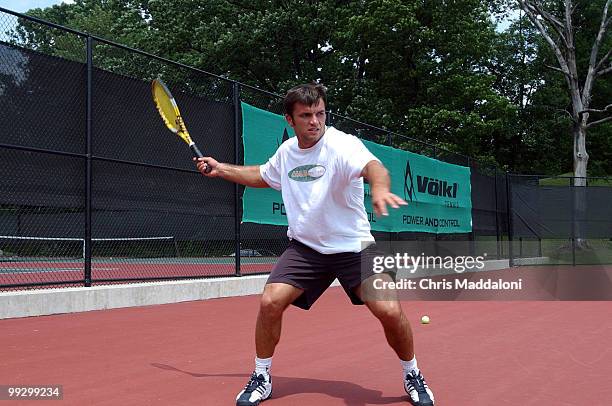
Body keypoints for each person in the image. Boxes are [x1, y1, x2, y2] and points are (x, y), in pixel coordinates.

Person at [194, 83, 435, 406]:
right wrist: (221, 168)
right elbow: (264, 175)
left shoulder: (343, 144)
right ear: (289, 121)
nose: (315, 121)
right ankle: (262, 376)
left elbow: (374, 167)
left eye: (319, 113)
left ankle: (412, 374)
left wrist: (379, 188)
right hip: (306, 249)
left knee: (390, 311)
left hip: (356, 247)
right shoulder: (287, 152)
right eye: (306, 115)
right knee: (270, 302)